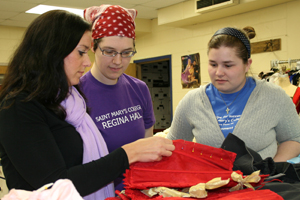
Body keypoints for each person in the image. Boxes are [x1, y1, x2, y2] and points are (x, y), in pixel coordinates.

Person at [0, 10, 175, 200]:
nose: (86, 62)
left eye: (126, 53)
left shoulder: (70, 98)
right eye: (82, 52)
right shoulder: (18, 106)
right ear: (53, 51)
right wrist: (128, 154)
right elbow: (55, 185)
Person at [167, 26, 300, 162]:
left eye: (228, 65)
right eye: (213, 64)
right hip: (209, 182)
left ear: (247, 65)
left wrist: (271, 170)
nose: (218, 72)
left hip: (262, 181)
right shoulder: (192, 101)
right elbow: (173, 146)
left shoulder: (274, 97)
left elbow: (294, 139)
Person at [79, 5, 155, 191]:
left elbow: (148, 149)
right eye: (109, 51)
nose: (118, 61)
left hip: (137, 191)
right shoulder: (76, 94)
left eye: (126, 52)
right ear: (93, 47)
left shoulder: (139, 89)